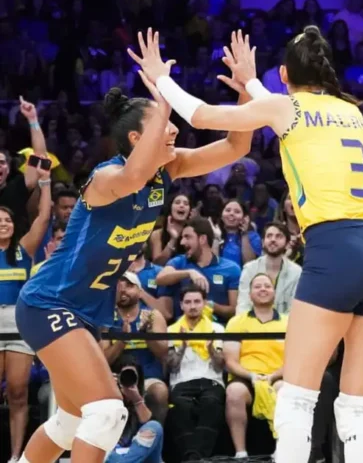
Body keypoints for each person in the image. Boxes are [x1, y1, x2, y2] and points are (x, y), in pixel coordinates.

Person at [133, 26, 363, 463]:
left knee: (297, 397)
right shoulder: (351, 111)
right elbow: (289, 113)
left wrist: (159, 77)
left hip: (336, 249)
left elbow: (199, 115)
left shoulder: (283, 106)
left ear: (284, 74)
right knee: (357, 405)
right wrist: (251, 82)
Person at [15, 29, 253, 463]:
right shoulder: (106, 179)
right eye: (162, 122)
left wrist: (245, 92)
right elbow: (132, 176)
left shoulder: (167, 170)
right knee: (107, 412)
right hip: (48, 303)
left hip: (81, 313)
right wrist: (162, 95)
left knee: (69, 423)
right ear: (135, 141)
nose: (173, 128)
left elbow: (238, 145)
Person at [0, 158, 52, 463]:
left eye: (7, 220)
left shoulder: (23, 249)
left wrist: (44, 182)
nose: (3, 223)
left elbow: (44, 217)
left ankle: (16, 457)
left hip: (18, 322)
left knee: (18, 392)